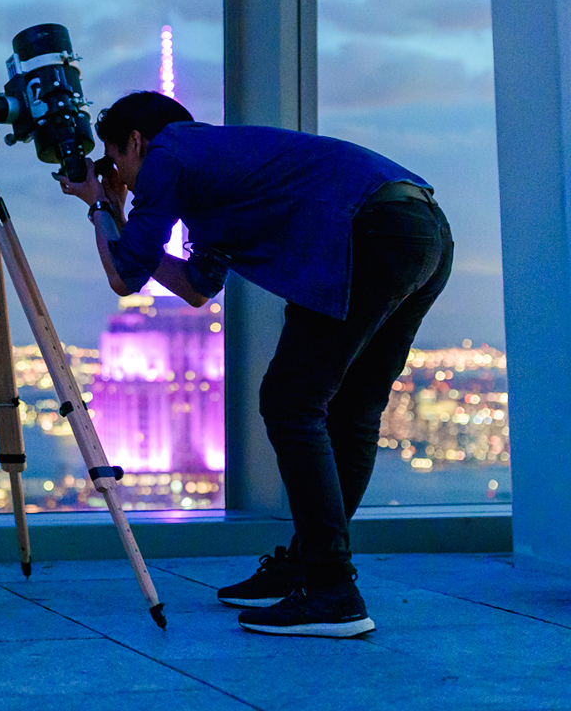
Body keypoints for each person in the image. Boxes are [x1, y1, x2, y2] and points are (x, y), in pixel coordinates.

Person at [58, 90, 453, 638]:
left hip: (366, 232)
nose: (119, 175)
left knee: (290, 403)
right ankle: (307, 570)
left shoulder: (169, 153)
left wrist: (102, 207)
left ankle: (332, 590)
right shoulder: (221, 175)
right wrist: (119, 215)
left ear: (136, 140)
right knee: (352, 410)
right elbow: (196, 288)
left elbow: (124, 277)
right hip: (422, 228)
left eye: (117, 161)